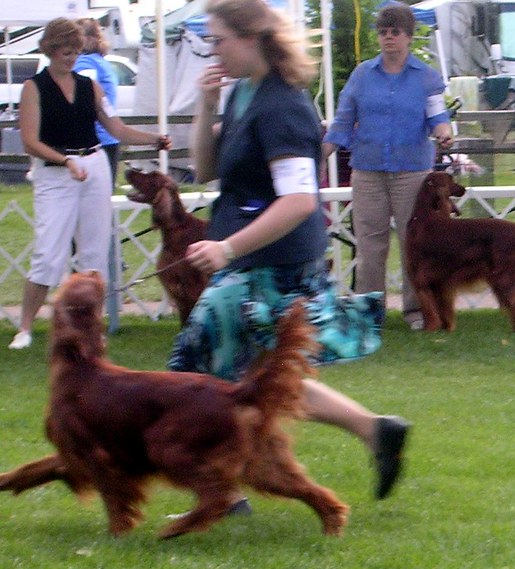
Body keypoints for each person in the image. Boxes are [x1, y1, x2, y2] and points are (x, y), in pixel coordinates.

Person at [173, 0, 410, 510]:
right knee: (260, 380)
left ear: (252, 37)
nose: (212, 51)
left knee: (202, 371)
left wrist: (226, 247)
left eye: (218, 40)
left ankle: (222, 491)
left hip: (272, 266)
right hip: (251, 260)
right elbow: (205, 169)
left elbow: (300, 200)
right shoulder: (243, 93)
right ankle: (376, 430)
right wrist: (206, 105)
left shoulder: (281, 105)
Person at [9, 18, 171, 350]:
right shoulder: (33, 88)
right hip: (55, 173)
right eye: (66, 52)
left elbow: (117, 129)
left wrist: (153, 139)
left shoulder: (90, 86)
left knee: (95, 254)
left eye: (76, 52)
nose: (72, 58)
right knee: (48, 254)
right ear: (51, 50)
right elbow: (30, 142)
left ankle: (90, 327)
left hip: (94, 165)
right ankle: (25, 328)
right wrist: (65, 161)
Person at [322, 3, 453, 331]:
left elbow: (438, 116)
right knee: (369, 245)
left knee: (415, 243)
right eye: (383, 32)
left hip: (413, 173)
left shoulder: (427, 77)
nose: (388, 37)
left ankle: (417, 310)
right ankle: (369, 313)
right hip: (368, 172)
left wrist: (444, 132)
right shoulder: (362, 75)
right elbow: (343, 120)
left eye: (395, 32)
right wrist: (320, 154)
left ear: (408, 36)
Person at [73, 18, 120, 185]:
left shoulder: (85, 63)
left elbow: (83, 97)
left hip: (95, 142)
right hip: (108, 138)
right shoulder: (100, 61)